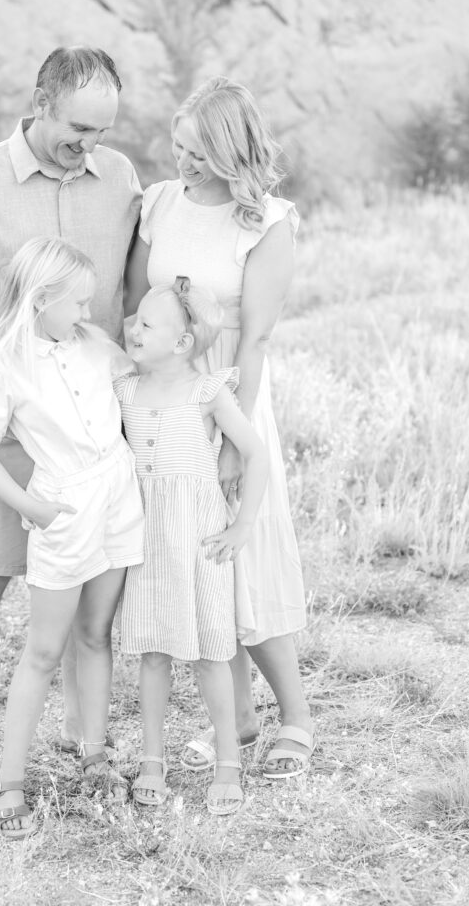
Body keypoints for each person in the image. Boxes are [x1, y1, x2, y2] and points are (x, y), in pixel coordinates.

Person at [0, 46, 142, 801]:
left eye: (103, 129)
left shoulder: (120, 179)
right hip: (9, 421)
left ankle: (85, 747)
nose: (91, 143)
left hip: (93, 424)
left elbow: (130, 296)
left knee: (84, 594)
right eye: (79, 126)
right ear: (40, 102)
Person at [124, 76, 313, 780]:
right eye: (177, 148)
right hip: (165, 393)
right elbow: (136, 301)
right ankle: (235, 716)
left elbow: (256, 339)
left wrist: (236, 441)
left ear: (231, 150)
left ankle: (294, 716)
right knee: (193, 549)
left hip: (230, 388)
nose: (184, 164)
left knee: (246, 546)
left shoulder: (265, 222)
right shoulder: (159, 203)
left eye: (199, 153)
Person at [0, 237, 144, 838]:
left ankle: (94, 755)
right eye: (77, 304)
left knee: (96, 635)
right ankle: (9, 779)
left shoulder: (92, 344)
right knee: (44, 650)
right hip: (63, 507)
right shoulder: (0, 368)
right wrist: (31, 507)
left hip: (117, 493)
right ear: (40, 300)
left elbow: (141, 381)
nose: (87, 314)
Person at [117, 279, 268, 815]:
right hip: (147, 540)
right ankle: (151, 759)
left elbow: (256, 454)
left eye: (147, 323)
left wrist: (242, 526)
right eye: (135, 318)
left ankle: (229, 761)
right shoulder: (126, 392)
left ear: (182, 344)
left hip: (199, 538)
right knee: (153, 651)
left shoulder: (207, 392)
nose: (133, 327)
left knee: (209, 654)